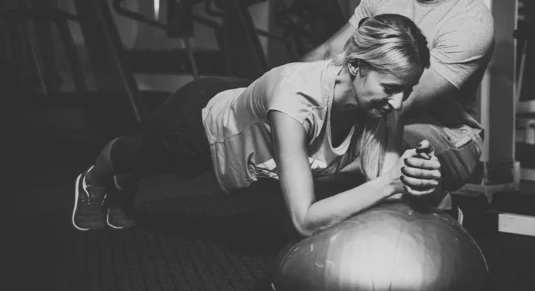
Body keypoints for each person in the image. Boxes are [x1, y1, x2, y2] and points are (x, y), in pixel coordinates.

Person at [72, 14, 440, 237]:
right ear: (357, 66)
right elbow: (305, 221)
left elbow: (388, 188)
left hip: (245, 108)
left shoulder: (384, 103)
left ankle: (123, 183)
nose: (398, 104)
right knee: (141, 158)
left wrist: (416, 176)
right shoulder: (296, 99)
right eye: (391, 89)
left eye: (406, 91)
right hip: (196, 124)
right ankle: (96, 179)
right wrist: (393, 181)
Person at [301, 0, 495, 211]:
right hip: (375, 115)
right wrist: (285, 93)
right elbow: (329, 51)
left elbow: (399, 100)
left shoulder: (471, 23)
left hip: (446, 136)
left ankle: (438, 206)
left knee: (371, 159)